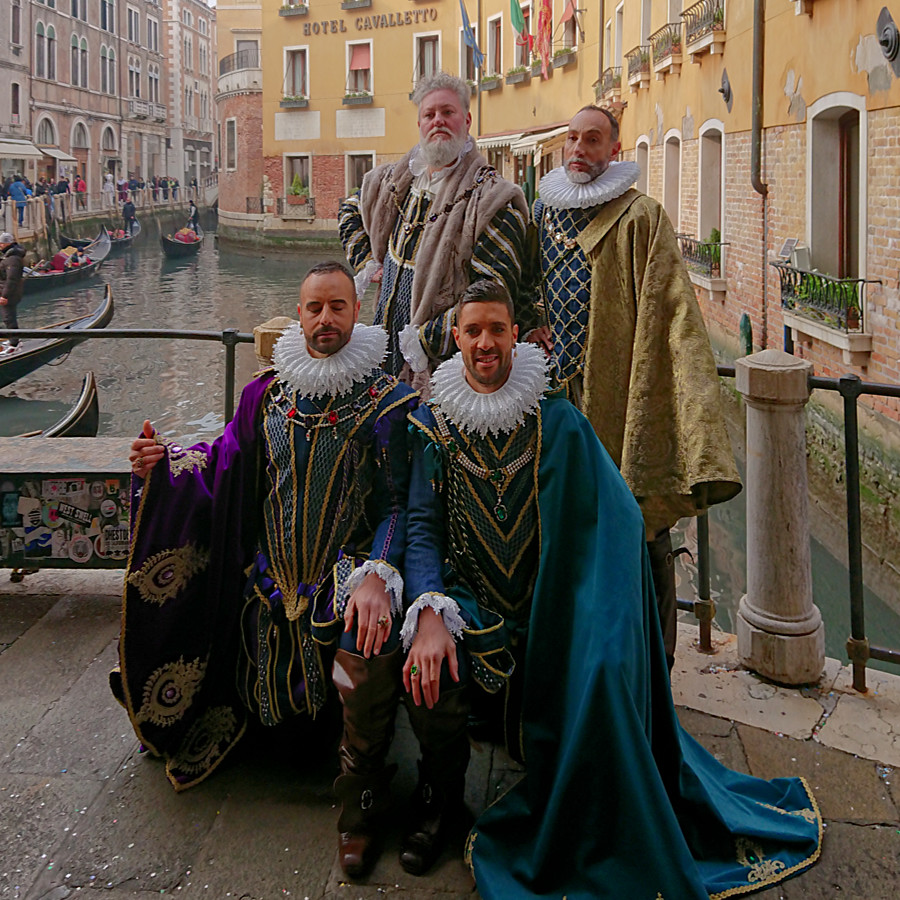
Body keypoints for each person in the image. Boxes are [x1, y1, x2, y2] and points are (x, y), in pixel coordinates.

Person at [400, 279, 821, 897]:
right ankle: (439, 801)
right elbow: (420, 526)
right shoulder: (431, 424)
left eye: (496, 329)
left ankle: (590, 805)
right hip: (469, 605)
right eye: (473, 331)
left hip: (553, 605)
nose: (485, 343)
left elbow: (614, 514)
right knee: (424, 664)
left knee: (602, 668)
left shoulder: (557, 420)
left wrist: (601, 609)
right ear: (456, 339)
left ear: (515, 335)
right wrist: (430, 610)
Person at [112, 261, 417, 792]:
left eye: (337, 307)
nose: (326, 318)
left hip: (341, 583)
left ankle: (357, 770)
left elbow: (399, 503)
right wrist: (165, 464)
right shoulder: (265, 394)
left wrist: (377, 570)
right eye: (315, 308)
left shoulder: (390, 403)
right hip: (267, 582)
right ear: (299, 314)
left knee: (339, 701)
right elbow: (224, 461)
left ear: (356, 311)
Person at [525, 105, 741, 669]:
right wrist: (531, 320)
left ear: (613, 149)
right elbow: (524, 284)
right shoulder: (543, 213)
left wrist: (690, 410)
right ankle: (580, 663)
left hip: (617, 399)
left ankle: (652, 668)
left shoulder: (642, 216)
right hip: (555, 404)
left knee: (640, 532)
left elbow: (675, 313)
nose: (578, 149)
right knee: (563, 528)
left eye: (592, 139)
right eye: (572, 138)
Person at [339, 72, 531, 387]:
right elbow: (349, 211)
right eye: (429, 115)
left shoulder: (492, 200)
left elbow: (493, 297)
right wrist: (367, 262)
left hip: (448, 372)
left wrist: (424, 340)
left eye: (447, 112)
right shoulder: (393, 182)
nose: (437, 121)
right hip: (384, 357)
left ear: (467, 120)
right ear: (419, 124)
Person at [0, 232, 26, 354]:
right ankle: (13, 339)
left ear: (8, 244)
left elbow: (11, 279)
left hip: (9, 294)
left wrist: (4, 296)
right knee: (8, 317)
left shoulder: (13, 259)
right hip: (7, 292)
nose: (0, 245)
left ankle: (15, 344)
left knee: (8, 318)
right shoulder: (9, 257)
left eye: (2, 243)